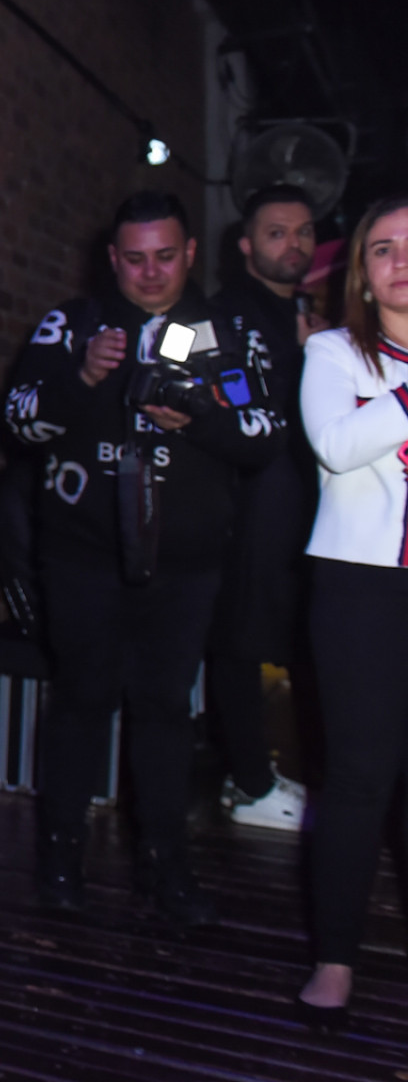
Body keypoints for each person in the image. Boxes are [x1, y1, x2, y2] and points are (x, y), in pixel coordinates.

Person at [3, 191, 285, 925]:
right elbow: (18, 424)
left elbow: (264, 435)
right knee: (81, 704)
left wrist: (200, 417)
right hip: (83, 558)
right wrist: (82, 380)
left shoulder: (226, 329)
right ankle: (61, 864)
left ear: (191, 253)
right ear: (112, 258)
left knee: (164, 713)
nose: (151, 273)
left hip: (186, 564)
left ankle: (165, 868)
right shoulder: (75, 324)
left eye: (166, 256)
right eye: (135, 258)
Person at [292, 195, 408, 1031]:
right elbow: (335, 444)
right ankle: (336, 957)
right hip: (361, 589)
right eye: (383, 249)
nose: (400, 261)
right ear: (362, 274)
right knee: (360, 780)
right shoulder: (334, 352)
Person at [205, 185, 323, 829]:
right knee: (238, 640)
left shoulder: (306, 314)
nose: (294, 244)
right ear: (247, 244)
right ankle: (250, 783)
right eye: (278, 232)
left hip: (300, 503)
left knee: (294, 637)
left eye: (303, 232)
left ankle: (264, 773)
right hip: (243, 503)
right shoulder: (215, 311)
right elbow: (171, 366)